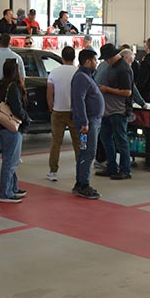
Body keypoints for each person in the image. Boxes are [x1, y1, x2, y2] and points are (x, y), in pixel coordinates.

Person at [0, 59, 30, 203]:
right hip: (11, 126)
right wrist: (26, 119)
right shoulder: (14, 86)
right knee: (10, 161)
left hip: (0, 126)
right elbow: (17, 108)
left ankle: (13, 187)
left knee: (9, 158)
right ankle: (5, 193)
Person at [70, 48, 103, 199]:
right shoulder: (82, 77)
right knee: (88, 152)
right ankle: (84, 184)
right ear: (88, 61)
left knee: (84, 151)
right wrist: (84, 121)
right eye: (95, 60)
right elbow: (79, 100)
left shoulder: (86, 76)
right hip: (87, 125)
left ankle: (80, 182)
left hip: (90, 123)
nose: (97, 63)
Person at [98, 44, 133, 180]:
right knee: (105, 138)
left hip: (119, 110)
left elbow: (127, 92)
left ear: (113, 56)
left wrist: (107, 89)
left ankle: (125, 169)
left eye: (107, 59)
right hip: (107, 110)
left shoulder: (124, 69)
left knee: (121, 141)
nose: (106, 61)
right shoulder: (112, 66)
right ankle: (112, 166)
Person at [46, 45, 79, 181]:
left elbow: (49, 93)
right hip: (75, 112)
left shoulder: (54, 72)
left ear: (62, 57)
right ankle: (80, 170)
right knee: (78, 143)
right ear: (74, 57)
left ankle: (53, 172)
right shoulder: (78, 72)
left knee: (56, 142)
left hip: (58, 111)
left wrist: (51, 107)